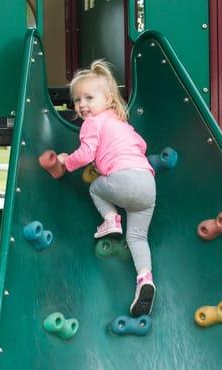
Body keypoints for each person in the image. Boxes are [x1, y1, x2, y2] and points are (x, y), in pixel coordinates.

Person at [56, 60, 157, 317]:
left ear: (109, 99)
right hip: (147, 185)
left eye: (89, 98)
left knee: (96, 189)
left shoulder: (93, 123)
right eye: (77, 100)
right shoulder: (122, 124)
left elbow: (87, 152)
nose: (82, 105)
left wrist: (67, 162)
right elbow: (142, 146)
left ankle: (110, 219)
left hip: (122, 180)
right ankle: (145, 279)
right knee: (137, 238)